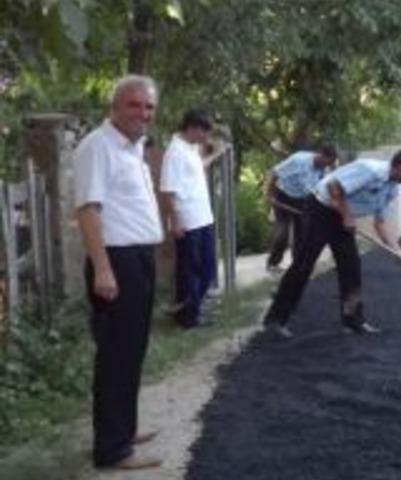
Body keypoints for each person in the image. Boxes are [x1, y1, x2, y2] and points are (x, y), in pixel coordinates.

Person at [73, 75, 163, 470]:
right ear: (115, 106)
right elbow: (88, 209)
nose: (143, 113)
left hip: (138, 258)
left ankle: (122, 430)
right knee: (116, 354)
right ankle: (111, 450)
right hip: (116, 261)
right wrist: (104, 269)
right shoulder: (99, 146)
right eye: (134, 104)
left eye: (149, 107)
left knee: (132, 350)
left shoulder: (133, 148)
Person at [263, 149, 401, 338]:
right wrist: (347, 215)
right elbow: (333, 186)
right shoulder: (370, 170)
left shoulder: (391, 188)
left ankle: (353, 321)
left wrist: (397, 251)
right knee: (303, 265)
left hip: (342, 218)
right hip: (320, 211)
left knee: (351, 267)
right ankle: (275, 320)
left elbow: (379, 222)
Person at [159, 108, 223, 328]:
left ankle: (192, 308)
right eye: (204, 132)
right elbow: (168, 189)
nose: (206, 137)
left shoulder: (191, 149)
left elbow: (196, 169)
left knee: (207, 267)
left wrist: (215, 156)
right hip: (188, 220)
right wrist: (175, 220)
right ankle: (188, 317)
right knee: (191, 270)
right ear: (193, 128)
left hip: (203, 217)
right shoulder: (174, 152)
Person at [264, 145, 339, 274]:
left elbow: (321, 188)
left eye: (329, 164)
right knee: (283, 232)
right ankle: (273, 263)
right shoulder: (299, 160)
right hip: (283, 196)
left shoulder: (324, 169)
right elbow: (275, 172)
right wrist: (269, 194)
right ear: (320, 154)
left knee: (302, 235)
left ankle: (297, 265)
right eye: (326, 163)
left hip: (302, 201)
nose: (325, 167)